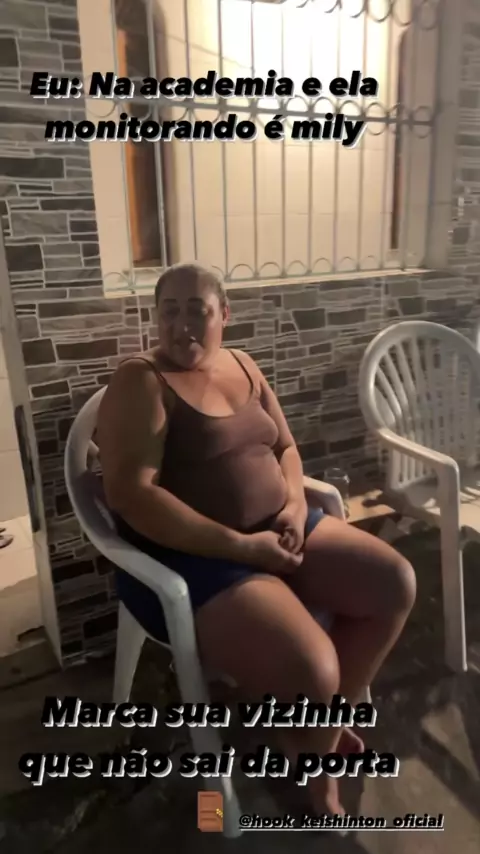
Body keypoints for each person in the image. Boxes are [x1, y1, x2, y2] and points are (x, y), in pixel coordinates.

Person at [97, 262, 416, 815]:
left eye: (197, 310)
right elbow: (131, 495)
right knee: (314, 667)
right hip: (198, 560)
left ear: (224, 314)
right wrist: (242, 548)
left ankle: (311, 733)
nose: (181, 324)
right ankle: (316, 761)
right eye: (169, 311)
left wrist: (293, 505)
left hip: (279, 529)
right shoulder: (142, 381)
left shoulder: (243, 364)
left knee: (394, 583)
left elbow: (286, 449)